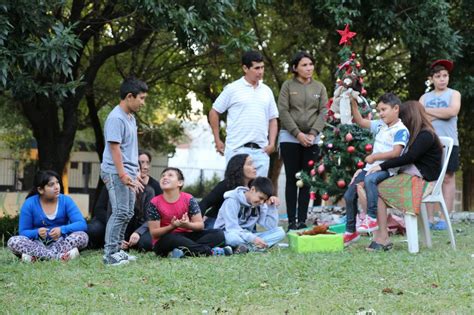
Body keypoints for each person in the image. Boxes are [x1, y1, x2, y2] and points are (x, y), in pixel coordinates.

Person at [366, 100, 443, 250]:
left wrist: (381, 166)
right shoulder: (419, 134)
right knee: (377, 187)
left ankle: (383, 237)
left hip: (424, 181)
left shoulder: (425, 135)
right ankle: (382, 235)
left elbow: (409, 158)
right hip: (413, 176)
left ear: (410, 117)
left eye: (403, 117)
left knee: (379, 190)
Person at [343, 93, 409, 246]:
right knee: (349, 195)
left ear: (396, 109)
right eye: (379, 110)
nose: (381, 113)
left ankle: (371, 218)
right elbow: (360, 121)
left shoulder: (400, 130)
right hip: (370, 168)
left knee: (370, 179)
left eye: (384, 109)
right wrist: (353, 104)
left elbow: (396, 153)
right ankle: (350, 231)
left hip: (387, 169)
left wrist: (375, 157)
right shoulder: (380, 124)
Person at [277, 51, 328, 230]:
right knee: (292, 178)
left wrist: (313, 133)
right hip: (290, 138)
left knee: (306, 179)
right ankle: (291, 222)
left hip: (312, 139)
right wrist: (297, 134)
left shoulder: (319, 87)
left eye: (310, 64)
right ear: (295, 68)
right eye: (304, 65)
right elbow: (283, 111)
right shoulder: (287, 86)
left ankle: (301, 221)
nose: (308, 68)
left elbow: (323, 111)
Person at [209, 50, 279, 177]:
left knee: (260, 194)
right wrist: (217, 139)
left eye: (262, 67)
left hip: (261, 151)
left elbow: (273, 118)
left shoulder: (267, 91)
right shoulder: (232, 88)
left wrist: (272, 144)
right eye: (257, 68)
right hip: (237, 150)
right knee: (235, 192)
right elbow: (214, 111)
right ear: (245, 68)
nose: (261, 71)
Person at [100, 77, 147, 265]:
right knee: (120, 211)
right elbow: (114, 149)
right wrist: (123, 175)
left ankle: (118, 250)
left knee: (127, 212)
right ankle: (110, 254)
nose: (143, 103)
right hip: (115, 172)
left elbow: (130, 148)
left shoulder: (130, 117)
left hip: (128, 172)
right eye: (141, 98)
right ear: (129, 96)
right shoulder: (115, 118)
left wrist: (134, 171)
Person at [7, 170, 88, 262]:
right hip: (36, 244)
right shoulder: (30, 203)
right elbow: (23, 232)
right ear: (40, 190)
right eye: (51, 185)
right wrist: (37, 233)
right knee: (13, 241)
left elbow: (81, 224)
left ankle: (37, 258)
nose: (57, 187)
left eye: (57, 183)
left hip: (61, 243)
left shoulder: (66, 201)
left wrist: (62, 230)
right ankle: (59, 257)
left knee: (82, 236)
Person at [147, 167, 227, 258]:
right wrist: (172, 226)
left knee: (218, 234)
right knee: (173, 238)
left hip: (186, 236)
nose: (165, 177)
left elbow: (200, 226)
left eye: (170, 175)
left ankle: (182, 252)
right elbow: (154, 233)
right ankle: (210, 252)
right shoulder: (154, 202)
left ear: (180, 183)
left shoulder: (189, 199)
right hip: (165, 240)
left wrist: (187, 225)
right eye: (163, 176)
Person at [419, 59, 461, 230]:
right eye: (438, 76)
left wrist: (429, 112)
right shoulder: (424, 97)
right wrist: (440, 114)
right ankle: (429, 219)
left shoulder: (454, 94)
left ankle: (445, 218)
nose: (442, 79)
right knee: (430, 179)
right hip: (429, 144)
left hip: (451, 142)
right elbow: (420, 118)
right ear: (432, 79)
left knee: (448, 178)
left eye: (445, 76)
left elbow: (452, 111)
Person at [214, 177, 286, 252]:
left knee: (280, 232)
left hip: (248, 236)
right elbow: (232, 228)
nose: (262, 202)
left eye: (264, 200)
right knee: (234, 239)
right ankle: (253, 248)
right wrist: (253, 238)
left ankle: (245, 248)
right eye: (261, 198)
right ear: (252, 189)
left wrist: (271, 207)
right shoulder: (232, 200)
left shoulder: (260, 204)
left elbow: (271, 227)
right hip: (227, 233)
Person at [199, 154, 257, 229]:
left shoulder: (254, 188)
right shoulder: (226, 185)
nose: (255, 167)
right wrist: (197, 222)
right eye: (250, 164)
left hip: (238, 225)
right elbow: (205, 203)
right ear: (238, 168)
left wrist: (271, 199)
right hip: (217, 222)